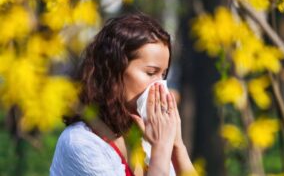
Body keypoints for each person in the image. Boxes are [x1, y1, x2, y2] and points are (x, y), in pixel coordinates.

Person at [50, 13, 196, 176]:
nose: (161, 87)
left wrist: (177, 146)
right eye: (150, 72)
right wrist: (161, 148)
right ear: (114, 70)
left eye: (163, 75)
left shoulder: (148, 137)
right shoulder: (81, 143)